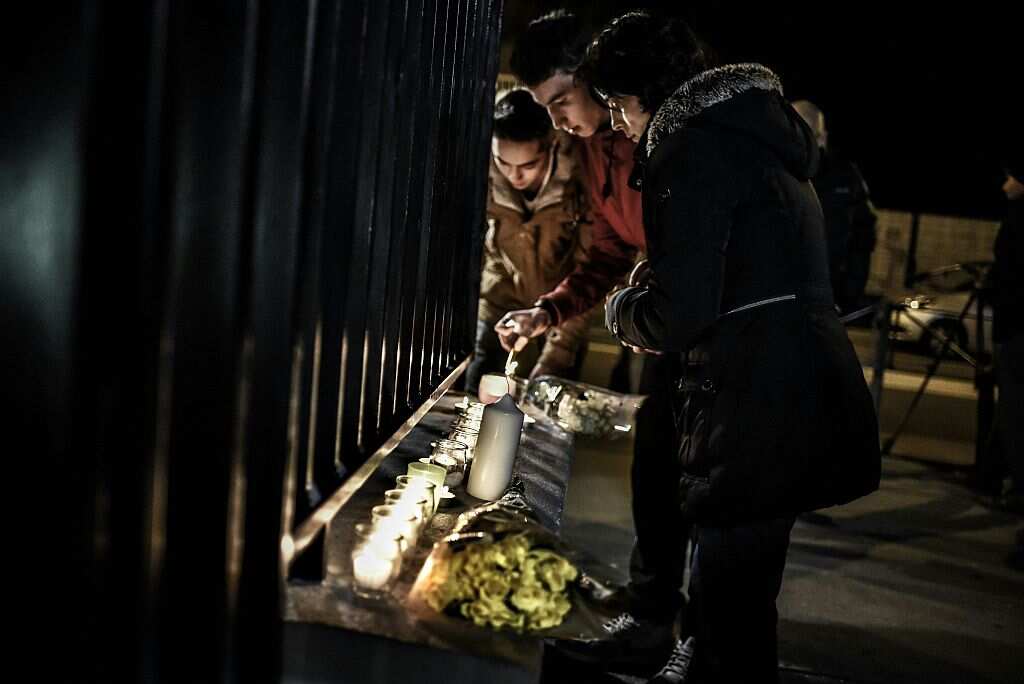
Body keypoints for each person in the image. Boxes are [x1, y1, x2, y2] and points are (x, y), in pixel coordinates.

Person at [588, 11, 881, 683]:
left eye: (616, 103)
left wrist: (622, 308)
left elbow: (680, 312)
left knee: (730, 615)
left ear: (647, 93)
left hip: (756, 396)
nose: (614, 122)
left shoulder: (692, 150)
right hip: (786, 383)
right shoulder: (749, 138)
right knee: (742, 604)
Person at [495, 11, 688, 674]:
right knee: (656, 473)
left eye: (562, 103)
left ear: (596, 78)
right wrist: (547, 311)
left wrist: (654, 302)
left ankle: (697, 638)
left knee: (708, 490)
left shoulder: (667, 133)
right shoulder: (599, 148)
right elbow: (608, 251)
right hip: (665, 335)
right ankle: (651, 612)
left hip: (708, 334)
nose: (557, 124)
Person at [465, 89, 591, 394]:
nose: (514, 176)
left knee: (550, 402)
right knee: (478, 394)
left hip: (561, 308)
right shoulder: (481, 171)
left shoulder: (581, 178)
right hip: (498, 299)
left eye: (527, 166)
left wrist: (556, 356)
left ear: (551, 146)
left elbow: (590, 267)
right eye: (503, 163)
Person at [792, 100, 878, 314]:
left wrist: (848, 295)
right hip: (775, 302)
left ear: (822, 137)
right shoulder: (771, 172)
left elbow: (864, 237)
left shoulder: (845, 178)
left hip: (827, 303)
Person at [991, 157, 1024, 529]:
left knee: (1016, 416)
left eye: (1010, 178)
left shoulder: (1018, 219)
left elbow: (1009, 273)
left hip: (1016, 331)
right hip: (1014, 328)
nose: (1005, 186)